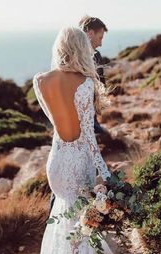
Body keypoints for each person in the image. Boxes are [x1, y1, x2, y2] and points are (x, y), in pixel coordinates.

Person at [8, 27, 112, 254]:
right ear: (82, 48)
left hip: (56, 163)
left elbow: (55, 124)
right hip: (78, 160)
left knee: (60, 228)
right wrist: (107, 177)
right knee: (79, 235)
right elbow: (90, 140)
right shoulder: (85, 83)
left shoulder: (41, 81)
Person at [49, 16, 109, 212]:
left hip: (82, 122)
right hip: (73, 130)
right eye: (99, 36)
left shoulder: (96, 57)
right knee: (70, 185)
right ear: (89, 34)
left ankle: (88, 217)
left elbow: (101, 86)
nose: (100, 42)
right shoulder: (75, 71)